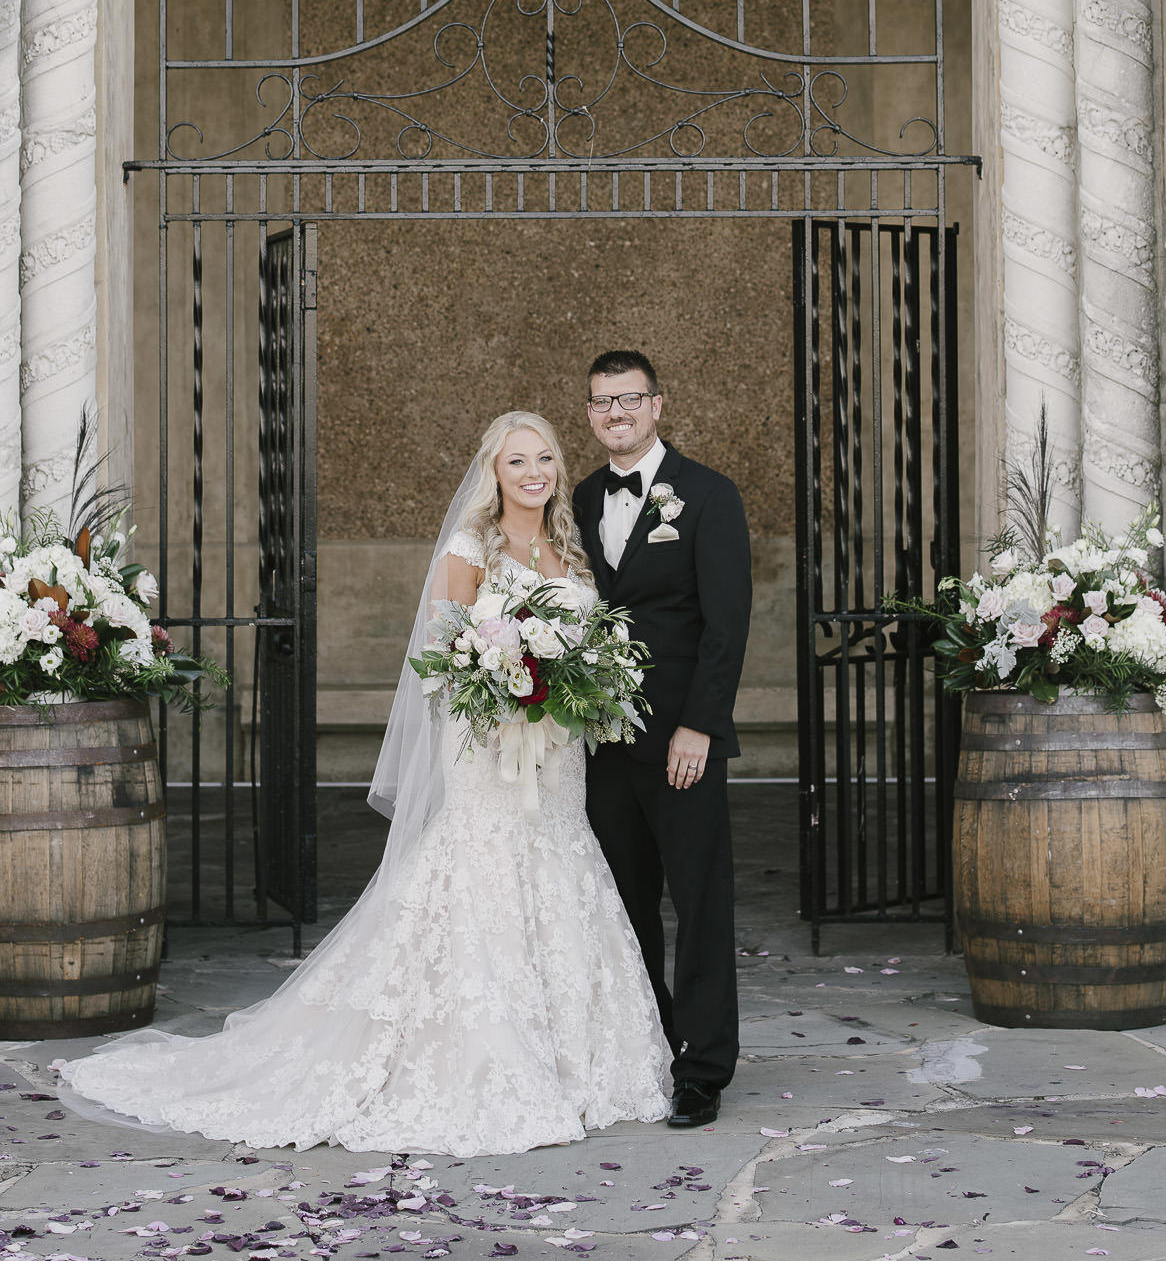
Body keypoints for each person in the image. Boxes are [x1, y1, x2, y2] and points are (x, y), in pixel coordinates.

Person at [54, 411, 670, 1154]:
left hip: (557, 753)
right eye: (517, 462)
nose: (533, 472)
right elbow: (445, 657)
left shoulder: (568, 550)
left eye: (544, 458)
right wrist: (506, 689)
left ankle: (574, 1058)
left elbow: (590, 643)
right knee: (482, 870)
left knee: (557, 859)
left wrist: (573, 686)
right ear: (493, 473)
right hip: (487, 748)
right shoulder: (469, 546)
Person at [574, 352, 752, 1129]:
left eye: (628, 400)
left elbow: (726, 624)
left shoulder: (708, 495)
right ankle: (649, 1045)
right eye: (600, 403)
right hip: (597, 744)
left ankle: (704, 1069)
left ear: (656, 406)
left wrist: (698, 726)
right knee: (622, 904)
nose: (614, 414)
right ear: (589, 413)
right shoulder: (578, 498)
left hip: (681, 740)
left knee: (699, 901)